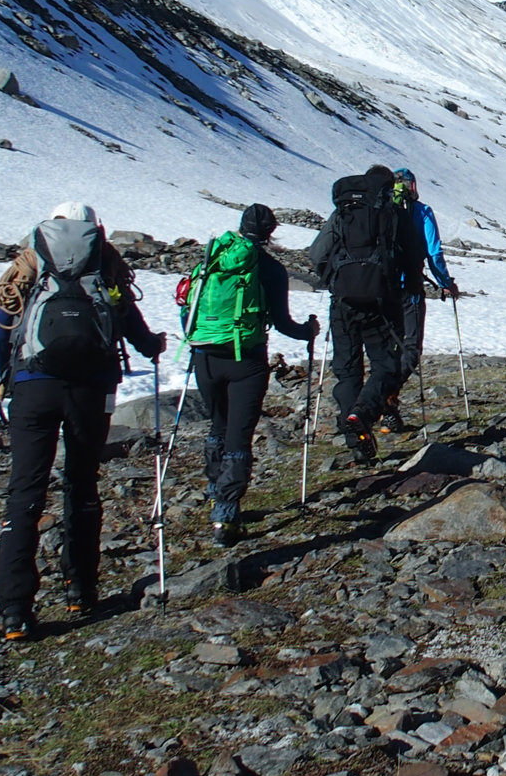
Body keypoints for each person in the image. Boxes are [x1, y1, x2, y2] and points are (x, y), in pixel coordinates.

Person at [0, 202, 165, 641]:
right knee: (82, 483)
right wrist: (150, 345)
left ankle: (15, 609)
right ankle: (81, 588)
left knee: (25, 491)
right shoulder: (104, 261)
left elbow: (2, 322)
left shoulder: (30, 259)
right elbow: (126, 318)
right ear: (92, 226)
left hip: (34, 384)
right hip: (92, 386)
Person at [182, 204, 318, 546]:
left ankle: (215, 492)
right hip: (247, 360)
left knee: (217, 427)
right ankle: (226, 515)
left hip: (206, 356)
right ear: (271, 233)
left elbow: (189, 309)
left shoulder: (212, 259)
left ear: (241, 227)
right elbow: (284, 323)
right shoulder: (271, 269)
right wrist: (309, 331)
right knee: (239, 438)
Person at [308, 165, 418, 464]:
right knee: (386, 365)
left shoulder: (344, 212)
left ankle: (355, 441)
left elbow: (317, 253)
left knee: (347, 370)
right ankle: (363, 414)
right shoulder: (393, 213)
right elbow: (412, 256)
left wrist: (334, 279)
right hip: (382, 302)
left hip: (343, 302)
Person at [379, 168, 460, 433]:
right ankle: (385, 399)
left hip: (382, 288)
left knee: (389, 347)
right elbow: (433, 251)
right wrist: (446, 284)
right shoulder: (422, 212)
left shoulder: (381, 209)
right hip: (410, 287)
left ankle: (378, 402)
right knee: (410, 348)